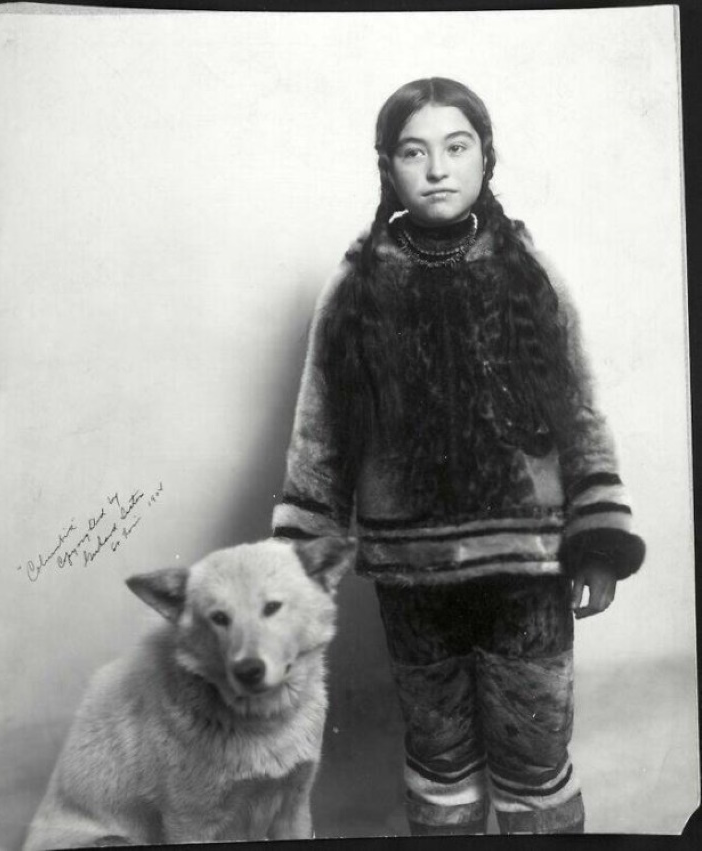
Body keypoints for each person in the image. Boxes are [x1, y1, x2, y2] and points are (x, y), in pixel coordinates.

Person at [272, 77, 645, 836]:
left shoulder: (526, 269)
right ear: (388, 166)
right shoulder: (356, 282)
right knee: (439, 760)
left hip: (528, 572)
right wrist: (296, 572)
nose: (437, 168)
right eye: (415, 151)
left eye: (456, 146)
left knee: (535, 759)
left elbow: (578, 409)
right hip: (415, 579)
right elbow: (323, 433)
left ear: (486, 158)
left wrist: (598, 542)